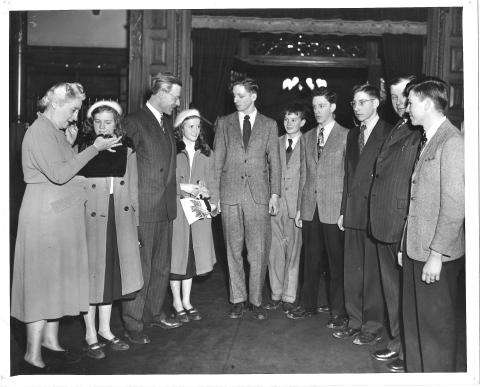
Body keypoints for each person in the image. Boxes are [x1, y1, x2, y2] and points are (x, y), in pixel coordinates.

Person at [11, 82, 121, 372]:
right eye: (73, 110)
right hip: (43, 215)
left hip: (57, 213)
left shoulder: (54, 131)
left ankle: (50, 341)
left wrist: (72, 145)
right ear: (56, 104)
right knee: (40, 283)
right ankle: (32, 355)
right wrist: (93, 149)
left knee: (55, 279)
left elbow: (61, 164)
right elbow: (60, 174)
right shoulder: (38, 132)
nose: (75, 117)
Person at [401, 78, 464, 372]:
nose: (406, 109)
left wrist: (437, 255)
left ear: (426, 104)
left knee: (435, 334)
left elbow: (454, 206)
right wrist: (405, 244)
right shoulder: (427, 138)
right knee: (414, 327)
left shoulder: (451, 142)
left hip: (435, 257)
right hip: (417, 250)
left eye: (411, 102)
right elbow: (416, 200)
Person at [76, 100, 144, 359]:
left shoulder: (128, 150)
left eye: (108, 122)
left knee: (111, 278)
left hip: (120, 217)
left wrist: (136, 227)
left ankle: (105, 329)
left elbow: (134, 190)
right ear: (90, 124)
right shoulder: (84, 148)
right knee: (92, 278)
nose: (103, 127)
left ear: (117, 123)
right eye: (97, 122)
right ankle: (90, 333)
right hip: (92, 220)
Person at [121, 72, 183, 344]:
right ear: (160, 92)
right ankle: (133, 323)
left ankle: (154, 313)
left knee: (161, 266)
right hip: (144, 207)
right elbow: (122, 166)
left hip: (165, 206)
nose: (178, 102)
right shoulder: (133, 122)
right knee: (141, 267)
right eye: (175, 96)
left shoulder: (166, 122)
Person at [213, 77, 281, 320]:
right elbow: (217, 160)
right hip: (229, 194)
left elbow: (275, 162)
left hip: (258, 195)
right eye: (234, 96)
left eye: (240, 95)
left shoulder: (269, 125)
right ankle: (238, 299)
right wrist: (214, 195)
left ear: (253, 96)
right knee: (232, 249)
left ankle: (256, 300)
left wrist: (275, 194)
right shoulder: (224, 123)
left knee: (258, 251)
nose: (236, 100)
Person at [368, 75, 421, 372]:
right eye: (394, 96)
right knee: (392, 291)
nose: (398, 102)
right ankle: (396, 342)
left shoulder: (417, 131)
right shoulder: (400, 125)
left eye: (404, 96)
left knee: (402, 292)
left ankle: (405, 350)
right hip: (384, 220)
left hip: (399, 222)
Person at [333, 83, 392, 345]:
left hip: (375, 214)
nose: (356, 108)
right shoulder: (352, 135)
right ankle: (354, 320)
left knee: (372, 274)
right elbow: (348, 176)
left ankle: (372, 325)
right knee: (352, 271)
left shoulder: (389, 133)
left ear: (376, 103)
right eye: (354, 103)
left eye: (362, 102)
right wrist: (344, 211)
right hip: (354, 212)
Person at [289, 87, 348, 329]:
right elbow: (303, 174)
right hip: (310, 208)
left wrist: (345, 210)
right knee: (310, 260)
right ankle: (307, 304)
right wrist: (301, 208)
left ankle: (339, 312)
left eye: (322, 106)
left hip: (334, 209)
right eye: (314, 107)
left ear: (333, 107)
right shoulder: (307, 136)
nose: (317, 111)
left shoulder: (347, 136)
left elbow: (348, 176)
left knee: (336, 264)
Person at [169, 108, 218, 323]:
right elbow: (166, 181)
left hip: (198, 210)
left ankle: (187, 301)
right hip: (176, 211)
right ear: (181, 129)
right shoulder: (172, 151)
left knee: (190, 256)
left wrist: (212, 199)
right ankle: (176, 302)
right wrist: (186, 188)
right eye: (191, 126)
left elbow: (213, 181)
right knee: (176, 257)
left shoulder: (207, 153)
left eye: (198, 126)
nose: (196, 130)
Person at [264, 103, 304, 315]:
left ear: (302, 122)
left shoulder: (308, 143)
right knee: (274, 251)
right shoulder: (275, 142)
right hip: (275, 205)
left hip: (296, 207)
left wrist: (302, 207)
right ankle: (276, 294)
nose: (289, 124)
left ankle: (290, 296)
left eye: (294, 120)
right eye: (286, 120)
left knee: (294, 252)